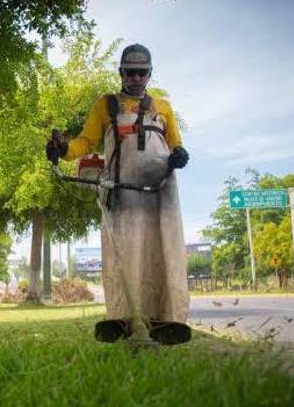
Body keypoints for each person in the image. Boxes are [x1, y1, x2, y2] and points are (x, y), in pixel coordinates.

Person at [46, 44, 190, 336]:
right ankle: (124, 317)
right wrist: (63, 149)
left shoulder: (163, 107)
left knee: (165, 249)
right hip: (122, 193)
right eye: (130, 72)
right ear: (121, 72)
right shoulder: (105, 106)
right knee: (124, 253)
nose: (136, 78)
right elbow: (85, 143)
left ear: (149, 74)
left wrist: (180, 155)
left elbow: (176, 144)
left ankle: (166, 318)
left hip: (161, 190)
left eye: (142, 72)